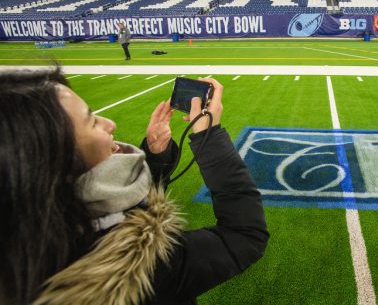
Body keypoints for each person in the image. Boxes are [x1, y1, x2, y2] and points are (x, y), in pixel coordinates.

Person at [0, 67, 268, 305]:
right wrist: (209, 136)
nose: (109, 123)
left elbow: (118, 204)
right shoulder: (139, 267)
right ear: (56, 161)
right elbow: (244, 235)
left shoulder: (29, 232)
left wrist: (154, 155)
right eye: (92, 120)